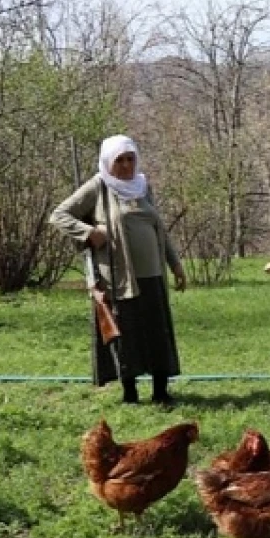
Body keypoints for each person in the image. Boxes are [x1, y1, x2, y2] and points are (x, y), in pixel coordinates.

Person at [50, 135, 186, 404]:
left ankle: (161, 391)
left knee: (157, 331)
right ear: (108, 163)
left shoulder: (143, 187)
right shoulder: (99, 187)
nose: (125, 166)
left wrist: (175, 263)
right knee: (127, 333)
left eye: (130, 159)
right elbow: (59, 216)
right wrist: (89, 232)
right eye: (119, 161)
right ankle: (130, 393)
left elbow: (159, 229)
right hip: (120, 277)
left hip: (153, 275)